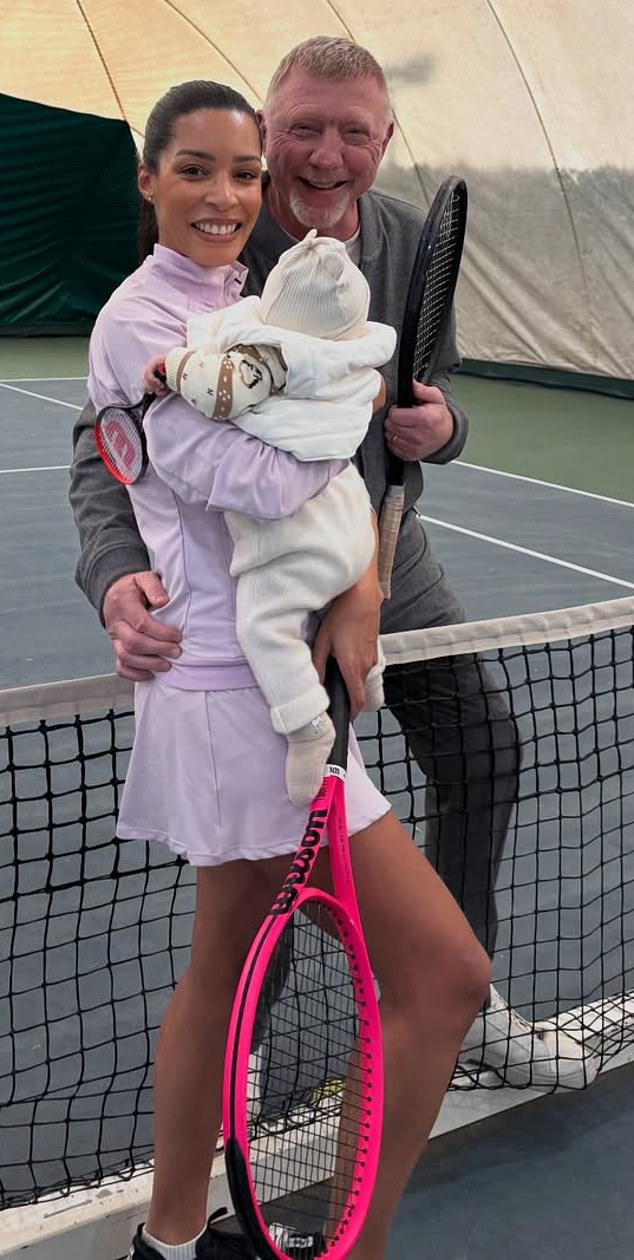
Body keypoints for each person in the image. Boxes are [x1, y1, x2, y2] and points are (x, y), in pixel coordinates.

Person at [69, 39, 581, 1092]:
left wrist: (444, 430)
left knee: (482, 749)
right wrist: (116, 568)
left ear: (383, 142)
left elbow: (423, 392)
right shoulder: (219, 239)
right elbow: (106, 435)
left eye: (353, 131)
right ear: (266, 130)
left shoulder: (400, 237)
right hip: (255, 577)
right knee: (282, 826)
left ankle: (464, 1007)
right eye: (300, 128)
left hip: (389, 554)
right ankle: (244, 1041)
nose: (324, 154)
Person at [85, 79, 489, 1260]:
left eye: (241, 174)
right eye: (196, 170)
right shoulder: (143, 322)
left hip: (264, 693)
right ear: (149, 178)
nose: (226, 194)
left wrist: (355, 430)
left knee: (219, 972)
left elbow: (306, 447)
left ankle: (165, 1243)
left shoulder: (229, 298)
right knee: (447, 976)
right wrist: (341, 404)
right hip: (240, 695)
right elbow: (258, 483)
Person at [139, 228, 395, 806]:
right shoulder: (353, 356)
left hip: (301, 537)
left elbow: (219, 391)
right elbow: (375, 395)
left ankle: (307, 726)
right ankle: (371, 676)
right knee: (334, 603)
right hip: (354, 520)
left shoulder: (272, 358)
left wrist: (171, 365)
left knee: (264, 624)